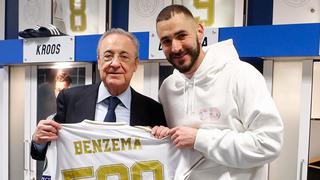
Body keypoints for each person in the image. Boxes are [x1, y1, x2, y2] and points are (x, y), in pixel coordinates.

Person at [152, 5, 284, 180]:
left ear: (199, 31)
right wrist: (162, 135)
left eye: (181, 36)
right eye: (166, 41)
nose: (175, 47)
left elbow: (269, 144)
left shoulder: (242, 75)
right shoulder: (167, 88)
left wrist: (200, 139)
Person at [31, 28, 167, 160]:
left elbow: (161, 160)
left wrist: (165, 140)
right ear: (99, 61)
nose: (115, 63)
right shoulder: (69, 99)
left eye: (124, 57)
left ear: (135, 64)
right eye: (108, 56)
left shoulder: (153, 110)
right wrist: (39, 141)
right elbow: (46, 152)